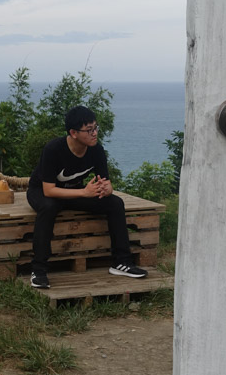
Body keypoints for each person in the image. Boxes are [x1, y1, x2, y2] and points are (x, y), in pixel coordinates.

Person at [26, 105, 148, 290]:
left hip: (74, 192)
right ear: (73, 133)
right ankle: (39, 271)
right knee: (48, 207)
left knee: (115, 203)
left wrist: (107, 189)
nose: (94, 133)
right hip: (42, 192)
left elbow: (105, 183)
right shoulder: (53, 149)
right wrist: (84, 192)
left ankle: (121, 262)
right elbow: (49, 190)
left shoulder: (96, 150)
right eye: (89, 130)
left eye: (95, 128)